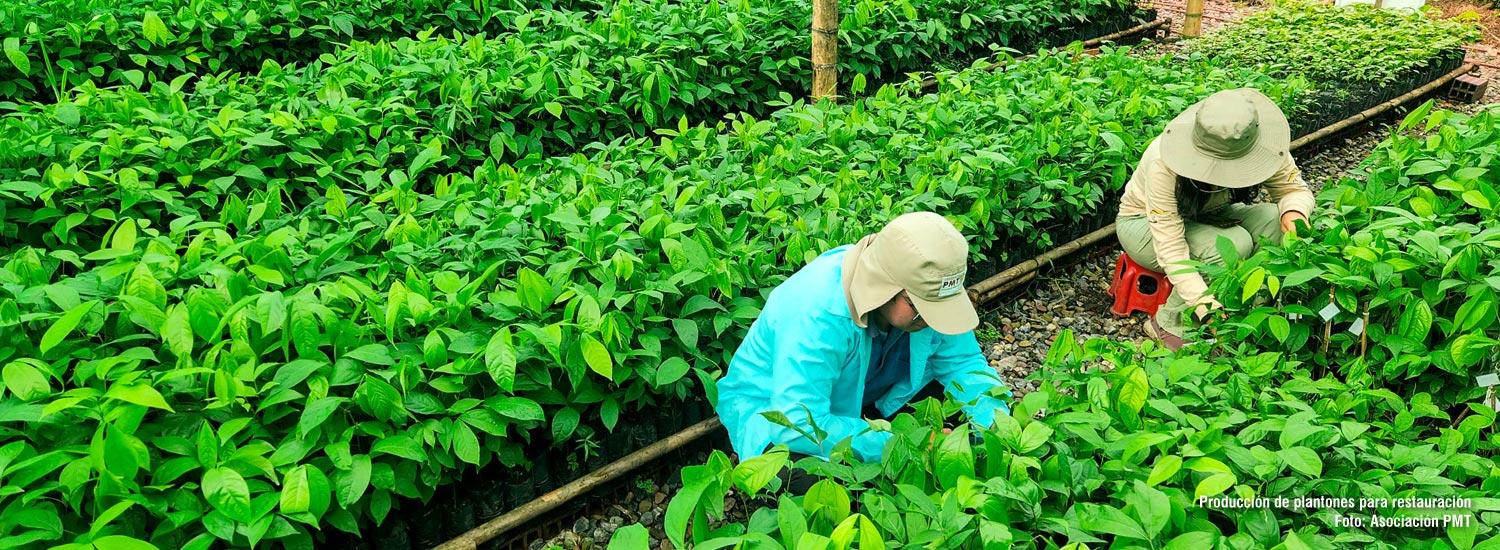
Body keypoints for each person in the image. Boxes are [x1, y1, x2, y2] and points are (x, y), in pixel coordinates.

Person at [714, 212, 1012, 493]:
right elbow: (798, 424)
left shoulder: (923, 293)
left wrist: (999, 425)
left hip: (867, 399)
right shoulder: (817, 313)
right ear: (886, 287)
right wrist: (903, 445)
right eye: (921, 309)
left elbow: (964, 363)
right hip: (782, 413)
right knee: (809, 478)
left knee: (967, 422)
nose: (930, 321)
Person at [1117, 88, 1315, 350]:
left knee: (1272, 219)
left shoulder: (1261, 142)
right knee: (1230, 245)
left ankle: (1251, 311)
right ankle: (1170, 323)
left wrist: (1294, 213)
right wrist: (1204, 305)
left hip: (1209, 214)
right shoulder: (1163, 160)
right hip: (1143, 224)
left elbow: (1293, 189)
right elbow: (1170, 246)